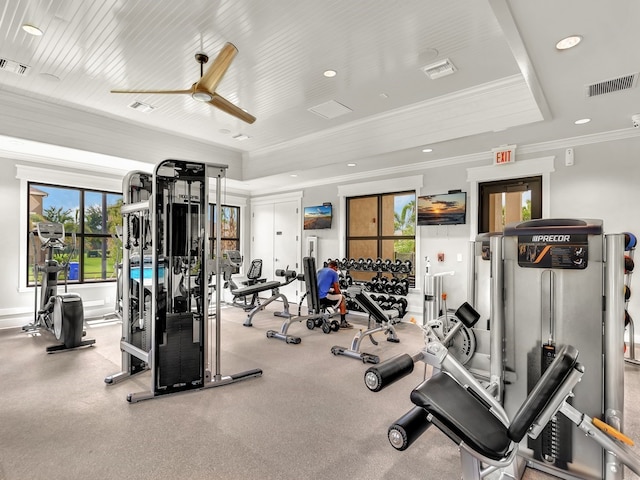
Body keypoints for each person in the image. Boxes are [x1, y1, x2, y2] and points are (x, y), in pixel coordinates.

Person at [317, 260, 352, 329]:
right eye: (337, 269)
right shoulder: (334, 273)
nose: (337, 270)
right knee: (342, 298)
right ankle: (343, 322)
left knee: (333, 293)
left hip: (315, 297)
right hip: (323, 298)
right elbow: (336, 288)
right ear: (335, 267)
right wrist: (339, 294)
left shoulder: (320, 271)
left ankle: (325, 313)